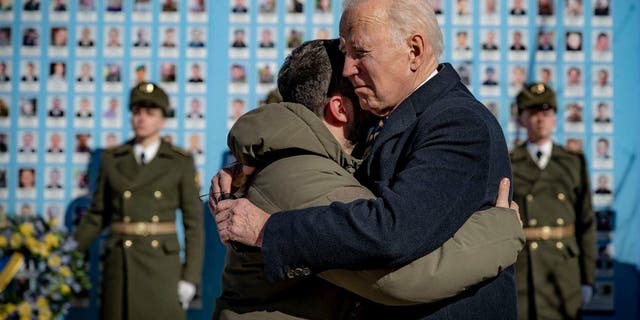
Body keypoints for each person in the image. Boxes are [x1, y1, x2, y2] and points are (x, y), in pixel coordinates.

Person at [212, 1, 517, 318]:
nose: (346, 69)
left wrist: (269, 230)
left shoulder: (456, 122)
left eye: (360, 53)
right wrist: (251, 167)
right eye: (345, 53)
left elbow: (393, 233)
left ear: (413, 50)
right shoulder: (398, 118)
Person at [73, 82, 204, 320]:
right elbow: (96, 216)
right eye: (137, 112)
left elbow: (193, 223)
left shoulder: (179, 162)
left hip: (162, 267)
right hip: (120, 265)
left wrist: (190, 277)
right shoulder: (112, 159)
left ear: (162, 120)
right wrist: (66, 253)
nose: (141, 118)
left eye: (150, 113)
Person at [511, 83, 596, 319]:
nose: (540, 120)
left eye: (546, 113)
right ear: (522, 119)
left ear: (555, 119)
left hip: (563, 270)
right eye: (533, 113)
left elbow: (586, 223)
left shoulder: (572, 162)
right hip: (524, 270)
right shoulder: (510, 162)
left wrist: (587, 278)